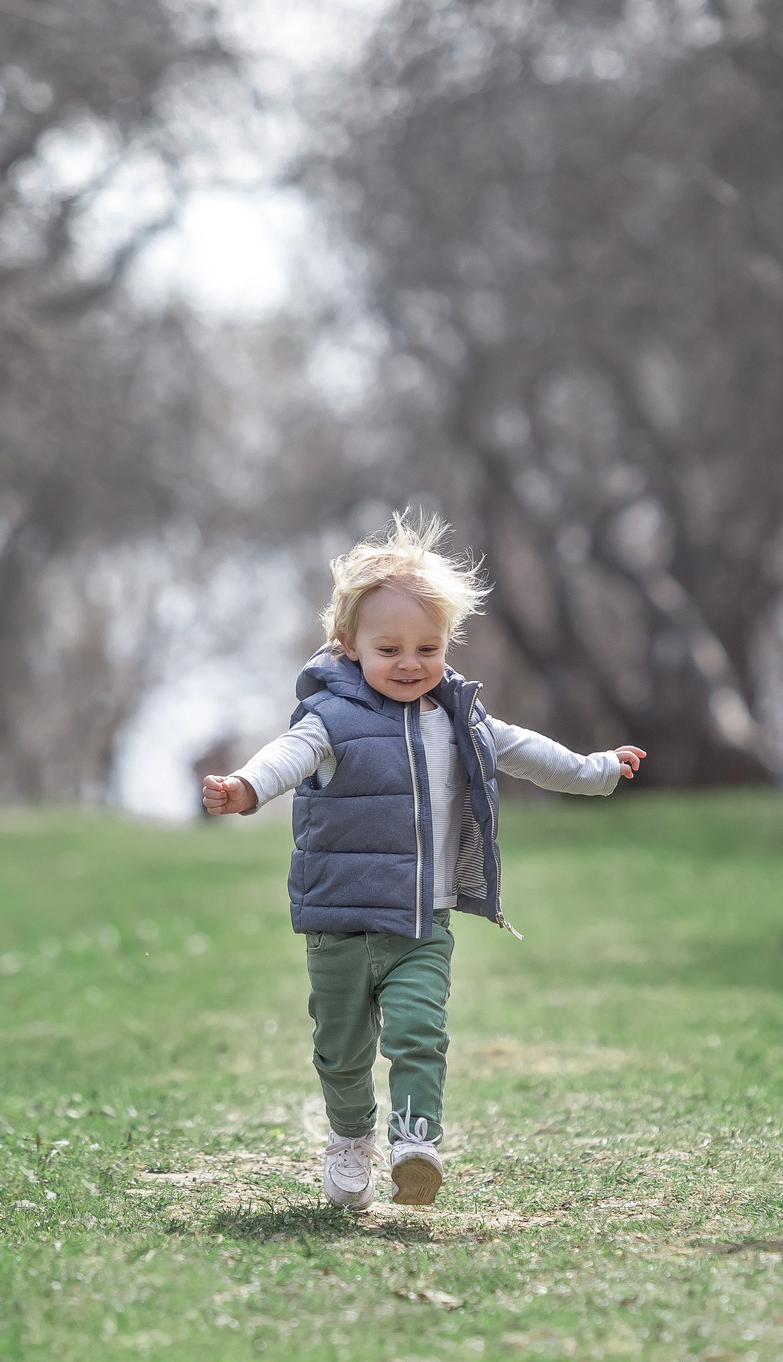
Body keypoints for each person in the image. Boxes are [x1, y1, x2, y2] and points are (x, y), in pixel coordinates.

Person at [202, 513, 646, 1211]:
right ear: (347, 645)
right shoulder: (329, 718)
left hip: (421, 922)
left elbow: (529, 751)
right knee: (342, 1051)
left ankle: (417, 1145)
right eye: (390, 648)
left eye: (427, 647)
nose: (410, 663)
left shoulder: (458, 717)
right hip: (339, 921)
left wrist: (597, 769)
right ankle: (351, 1141)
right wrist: (246, 788)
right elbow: (285, 757)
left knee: (420, 1032)